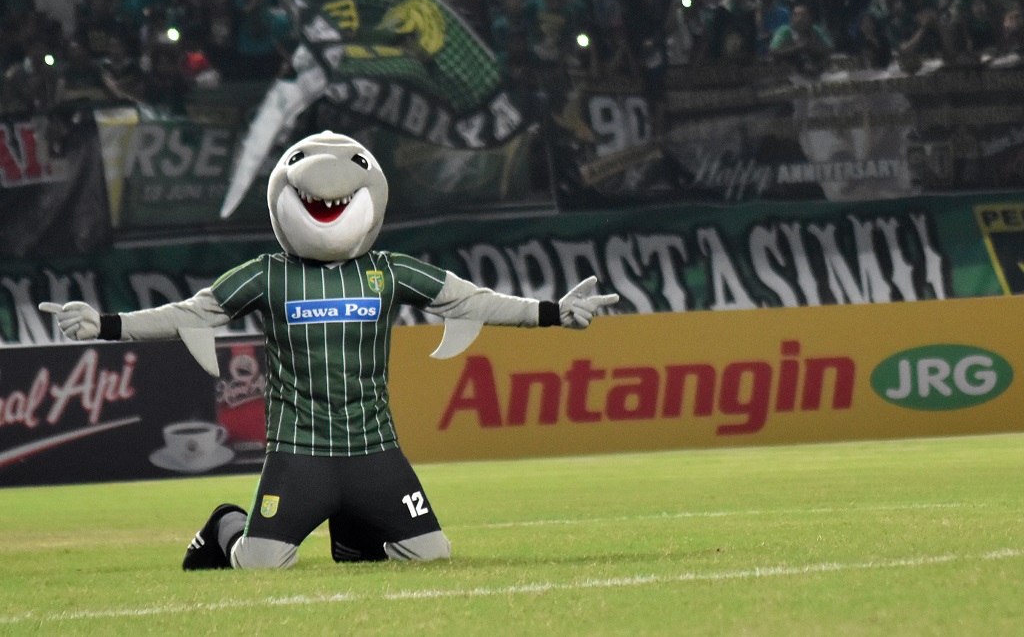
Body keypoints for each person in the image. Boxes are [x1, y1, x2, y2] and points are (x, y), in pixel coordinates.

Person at [45, 132, 618, 571]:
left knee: (434, 555)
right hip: (299, 454)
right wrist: (107, 323)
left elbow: (475, 302)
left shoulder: (389, 272)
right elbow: (190, 315)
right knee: (264, 564)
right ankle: (226, 526)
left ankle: (355, 530)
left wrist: (552, 312)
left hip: (375, 449)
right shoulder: (268, 276)